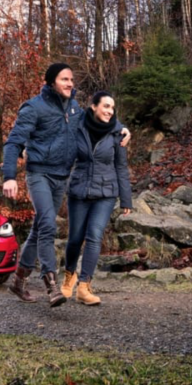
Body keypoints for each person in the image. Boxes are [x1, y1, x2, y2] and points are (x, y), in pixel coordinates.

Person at [2, 64, 128, 306]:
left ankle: (18, 280)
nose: (70, 83)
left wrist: (121, 128)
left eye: (72, 79)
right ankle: (51, 284)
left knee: (39, 228)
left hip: (62, 177)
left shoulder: (74, 109)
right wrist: (9, 176)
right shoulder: (34, 107)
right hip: (39, 173)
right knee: (48, 223)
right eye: (64, 79)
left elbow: (99, 117)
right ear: (51, 82)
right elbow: (13, 142)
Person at [60, 91, 132, 306]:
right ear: (93, 106)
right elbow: (64, 157)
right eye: (106, 106)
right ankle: (69, 276)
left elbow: (121, 166)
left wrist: (126, 199)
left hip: (106, 193)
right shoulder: (76, 127)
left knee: (94, 235)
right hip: (79, 191)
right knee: (75, 238)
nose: (110, 111)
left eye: (112, 107)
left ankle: (84, 286)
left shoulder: (117, 133)